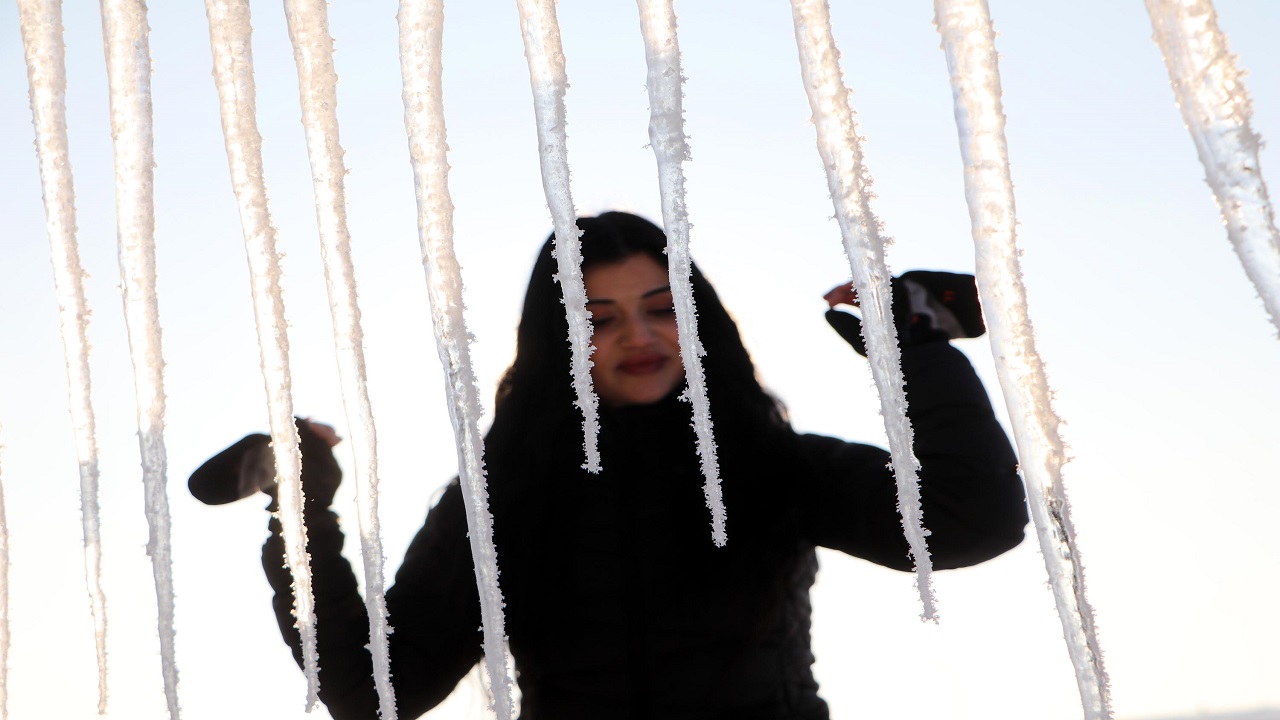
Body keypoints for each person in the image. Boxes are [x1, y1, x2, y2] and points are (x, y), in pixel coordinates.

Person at [190, 211, 1028, 720]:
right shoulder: (505, 499)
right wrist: (302, 516)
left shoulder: (762, 465)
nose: (640, 336)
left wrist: (916, 350)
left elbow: (967, 521)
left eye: (662, 309)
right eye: (601, 318)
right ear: (561, 340)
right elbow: (378, 692)